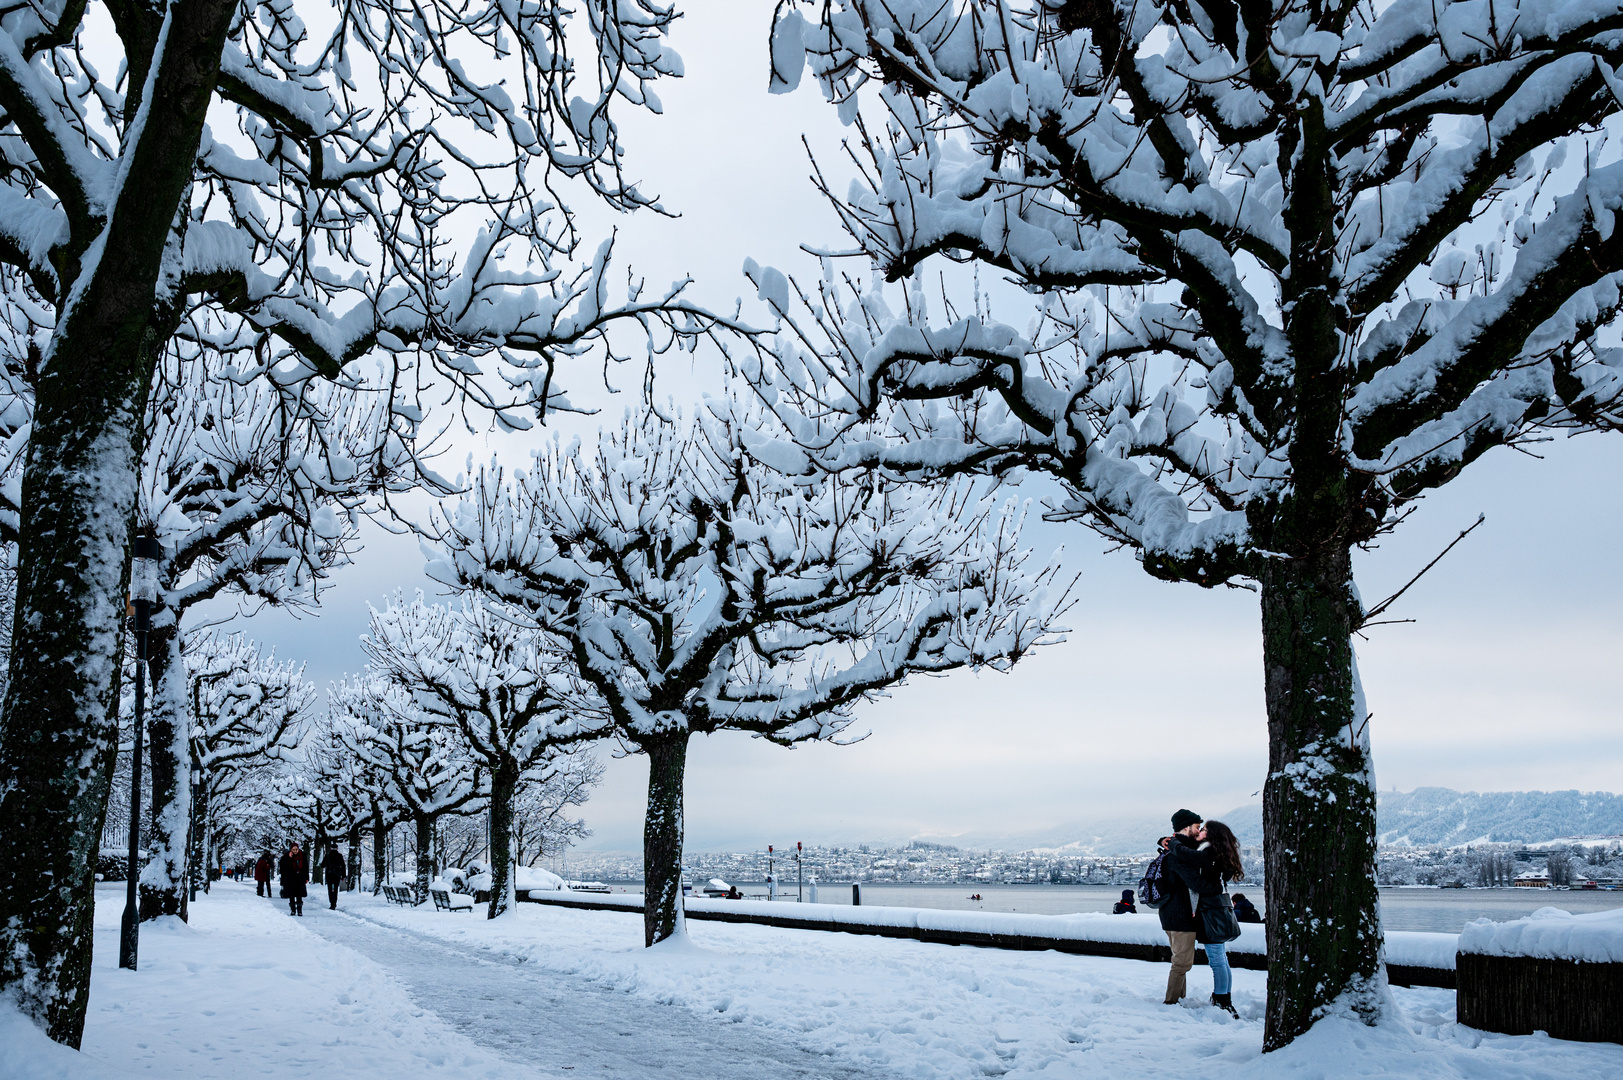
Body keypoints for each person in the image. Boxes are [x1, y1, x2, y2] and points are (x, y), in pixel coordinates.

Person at [1169, 819, 1246, 1017]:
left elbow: (1188, 857)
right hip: (1217, 909)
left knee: (1217, 959)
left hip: (1210, 911)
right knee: (1221, 958)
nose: (1200, 832)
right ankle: (1224, 996)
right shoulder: (1218, 852)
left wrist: (1174, 842)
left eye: (1203, 830)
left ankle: (1222, 999)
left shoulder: (1209, 853)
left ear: (1212, 835)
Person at [1157, 808, 1204, 1005]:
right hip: (1180, 916)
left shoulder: (1175, 849)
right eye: (1196, 827)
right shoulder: (1179, 854)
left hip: (1172, 914)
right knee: (1182, 962)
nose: (1199, 830)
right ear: (1186, 828)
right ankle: (1172, 1001)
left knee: (1180, 960)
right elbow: (1196, 882)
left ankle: (1179, 999)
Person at [279, 843, 309, 916]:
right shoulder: (286, 857)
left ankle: (299, 910)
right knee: (291, 894)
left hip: (300, 877)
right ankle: (292, 910)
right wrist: (289, 858)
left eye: (296, 849)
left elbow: (306, 867)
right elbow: (284, 868)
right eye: (293, 850)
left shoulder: (303, 856)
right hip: (290, 878)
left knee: (299, 894)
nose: (295, 851)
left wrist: (306, 877)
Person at [322, 845, 347, 910]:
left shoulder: (327, 856)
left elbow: (322, 865)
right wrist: (343, 875)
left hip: (329, 875)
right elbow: (343, 866)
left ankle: (331, 902)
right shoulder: (339, 856)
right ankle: (334, 903)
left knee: (330, 889)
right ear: (337, 848)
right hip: (337, 875)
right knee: (335, 889)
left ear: (330, 848)